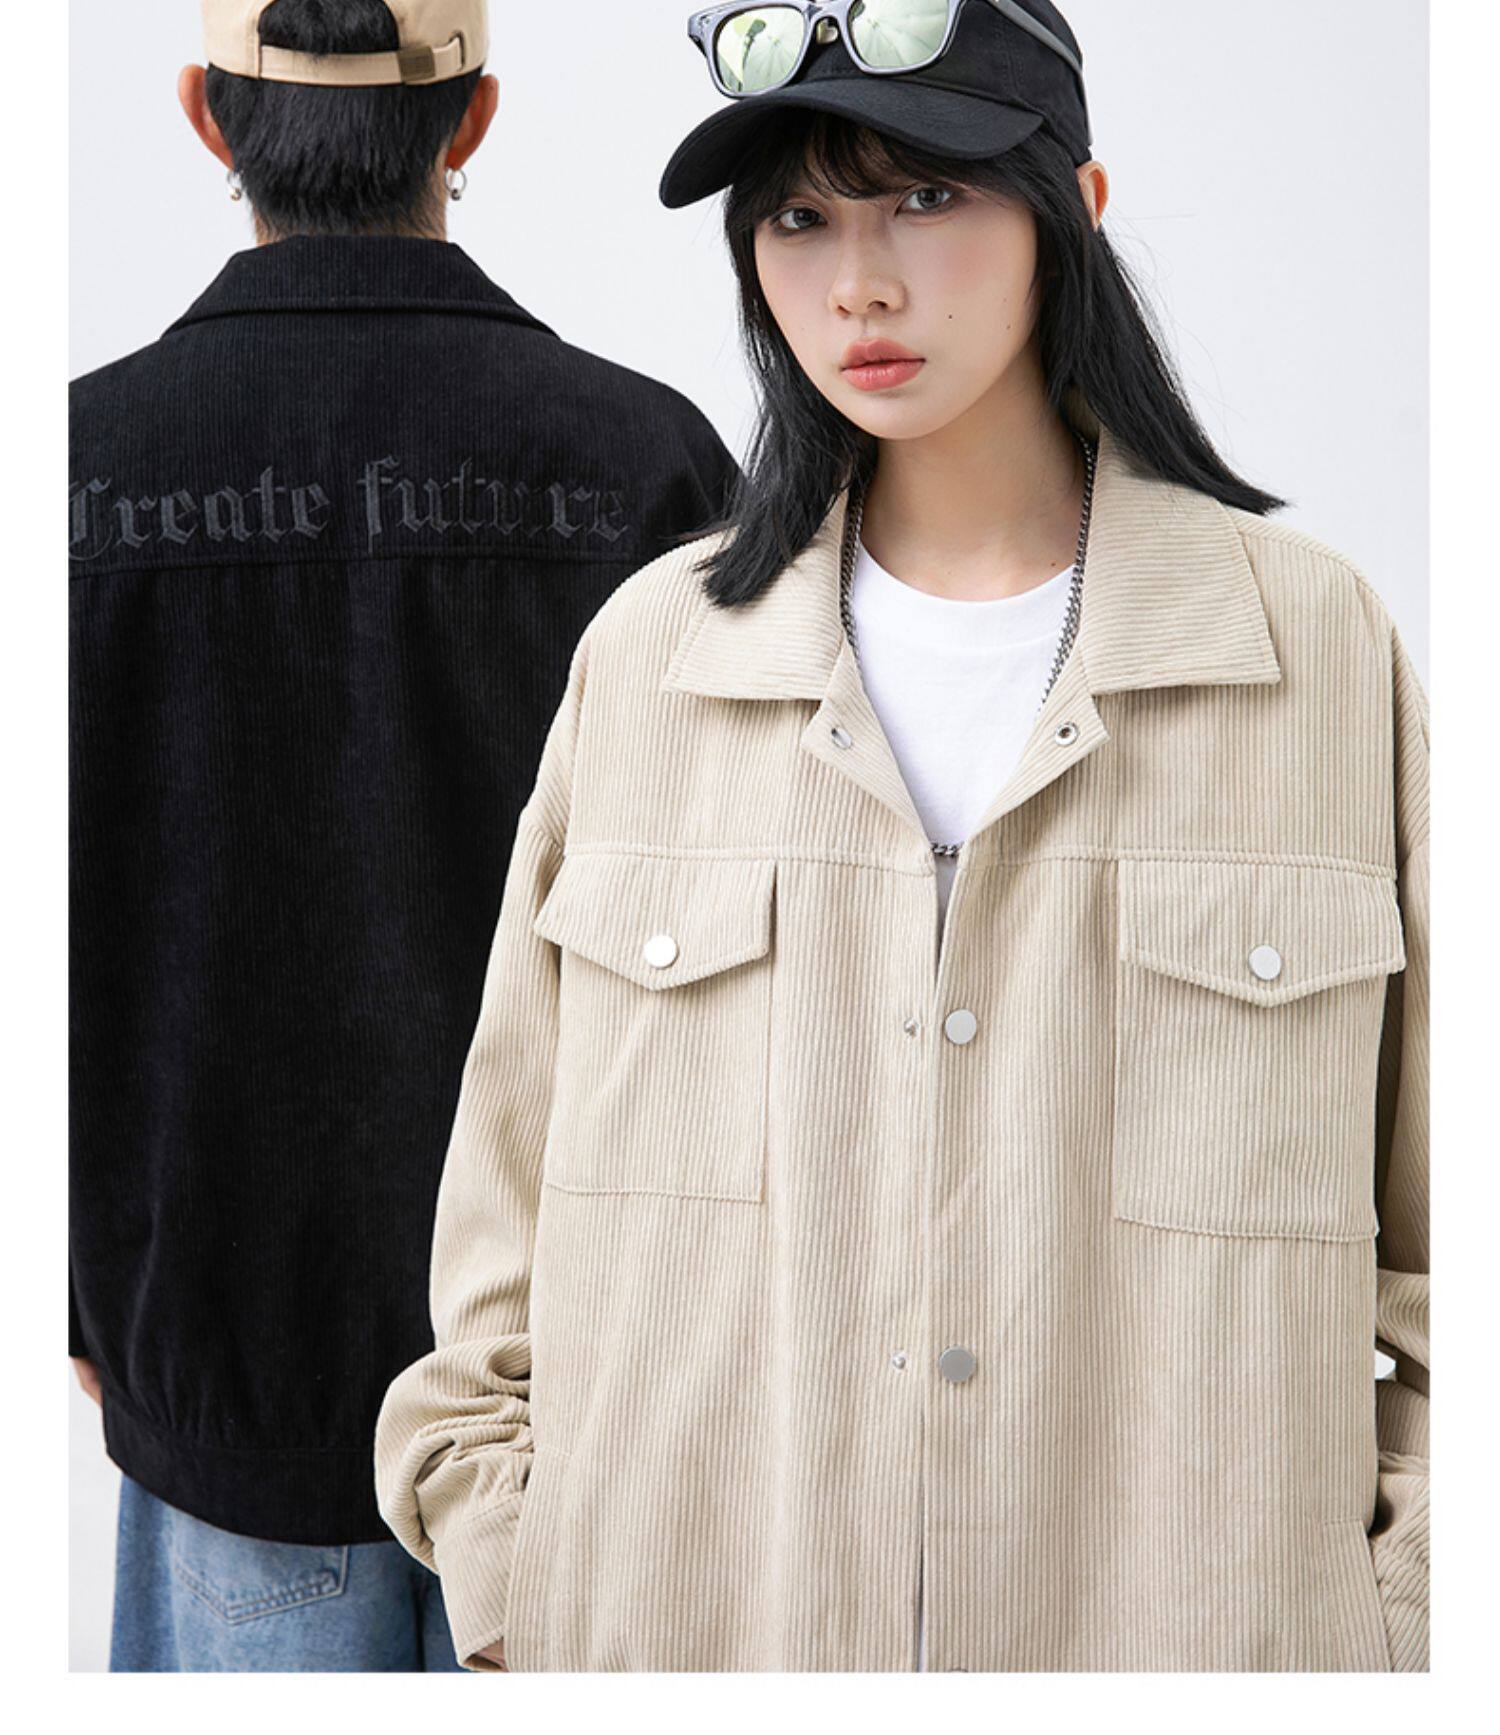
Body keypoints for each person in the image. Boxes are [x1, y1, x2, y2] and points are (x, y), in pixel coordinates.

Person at [375, 0, 1429, 1673]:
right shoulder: (655, 660)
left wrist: (1401, 1615)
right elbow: (496, 1234)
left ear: (1075, 209)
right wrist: (522, 1585)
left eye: (926, 196)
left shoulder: (1311, 652)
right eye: (799, 217)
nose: (858, 283)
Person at [70, 0, 739, 1673]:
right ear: (474, 118)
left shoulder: (67, 470)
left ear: (206, 115)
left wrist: (85, 1289)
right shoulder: (647, 464)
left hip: (228, 1374)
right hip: (584, 1391)